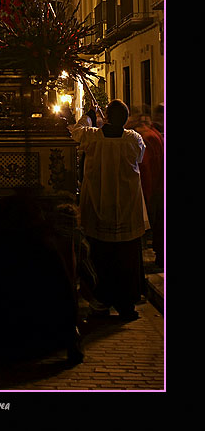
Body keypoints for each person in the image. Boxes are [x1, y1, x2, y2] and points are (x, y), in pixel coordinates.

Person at [69, 99, 149, 321]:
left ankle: (101, 302)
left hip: (99, 204)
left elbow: (75, 132)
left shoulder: (94, 137)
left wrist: (89, 116)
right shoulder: (134, 139)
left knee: (101, 256)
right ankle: (126, 305)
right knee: (126, 258)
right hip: (126, 207)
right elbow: (140, 157)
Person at [127, 106, 164, 270]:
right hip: (159, 186)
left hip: (152, 188)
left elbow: (146, 167)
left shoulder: (146, 137)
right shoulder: (155, 134)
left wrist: (145, 194)